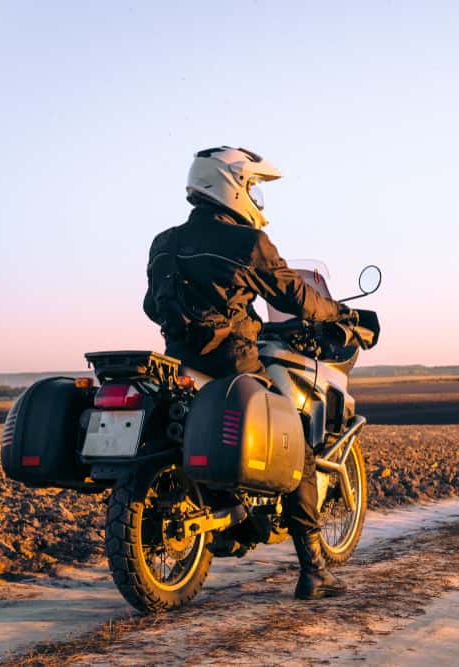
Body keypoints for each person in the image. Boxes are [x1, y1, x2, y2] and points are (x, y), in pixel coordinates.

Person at [142, 145, 350, 600]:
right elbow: (292, 292)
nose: (257, 197)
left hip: (179, 363)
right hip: (234, 362)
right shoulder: (246, 243)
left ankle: (228, 503)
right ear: (231, 185)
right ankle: (313, 569)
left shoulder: (165, 242)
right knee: (299, 448)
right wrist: (334, 312)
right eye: (253, 187)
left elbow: (150, 305)